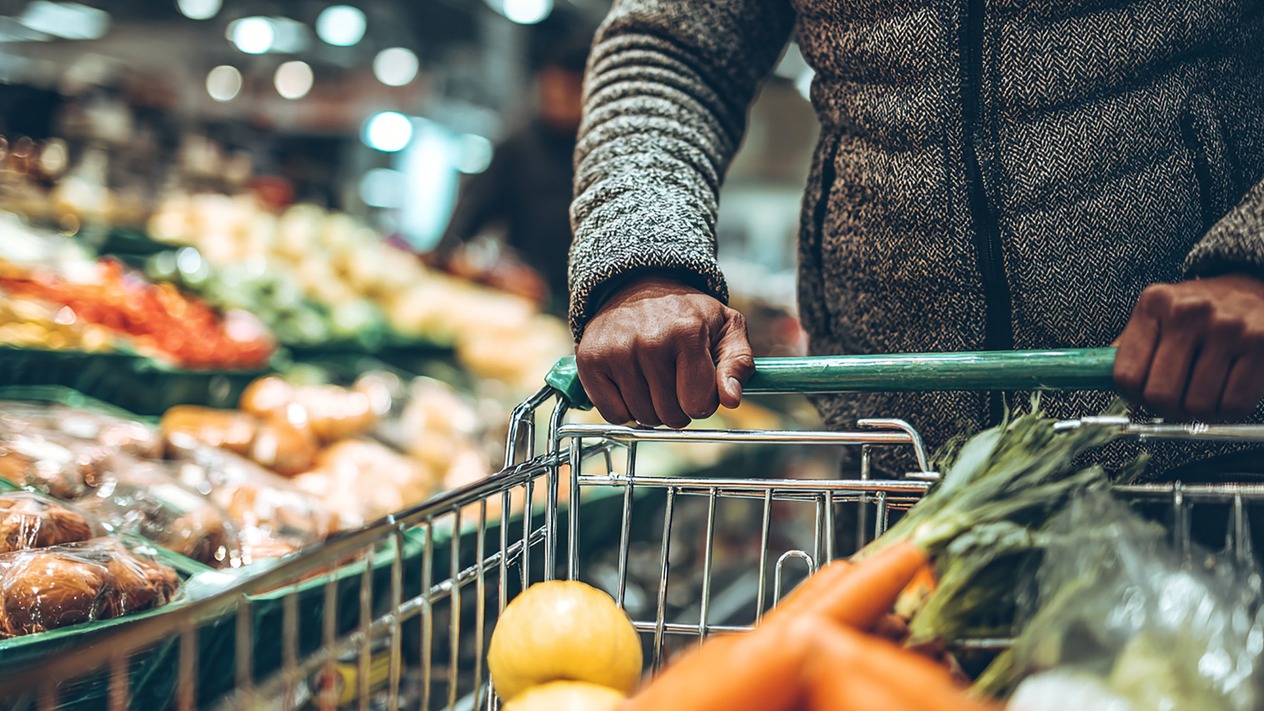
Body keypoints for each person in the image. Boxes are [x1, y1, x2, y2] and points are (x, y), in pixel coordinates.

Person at [567, 0, 1264, 476]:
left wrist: (1251, 258)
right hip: (895, 468)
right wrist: (641, 265)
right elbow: (671, 46)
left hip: (1204, 447)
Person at [431, 39, 590, 315]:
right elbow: (458, 234)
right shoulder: (518, 147)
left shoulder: (609, 154)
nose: (556, 100)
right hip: (530, 311)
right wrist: (493, 271)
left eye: (570, 90)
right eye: (549, 89)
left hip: (601, 309)